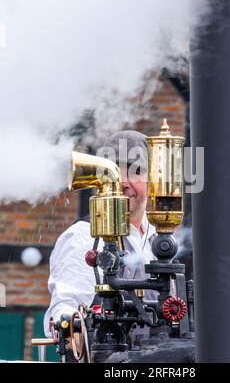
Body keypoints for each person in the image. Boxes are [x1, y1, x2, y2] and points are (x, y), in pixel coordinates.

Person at [44, 131, 157, 338]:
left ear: (151, 181)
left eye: (135, 171)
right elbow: (64, 316)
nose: (122, 182)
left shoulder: (160, 241)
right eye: (113, 171)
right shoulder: (81, 237)